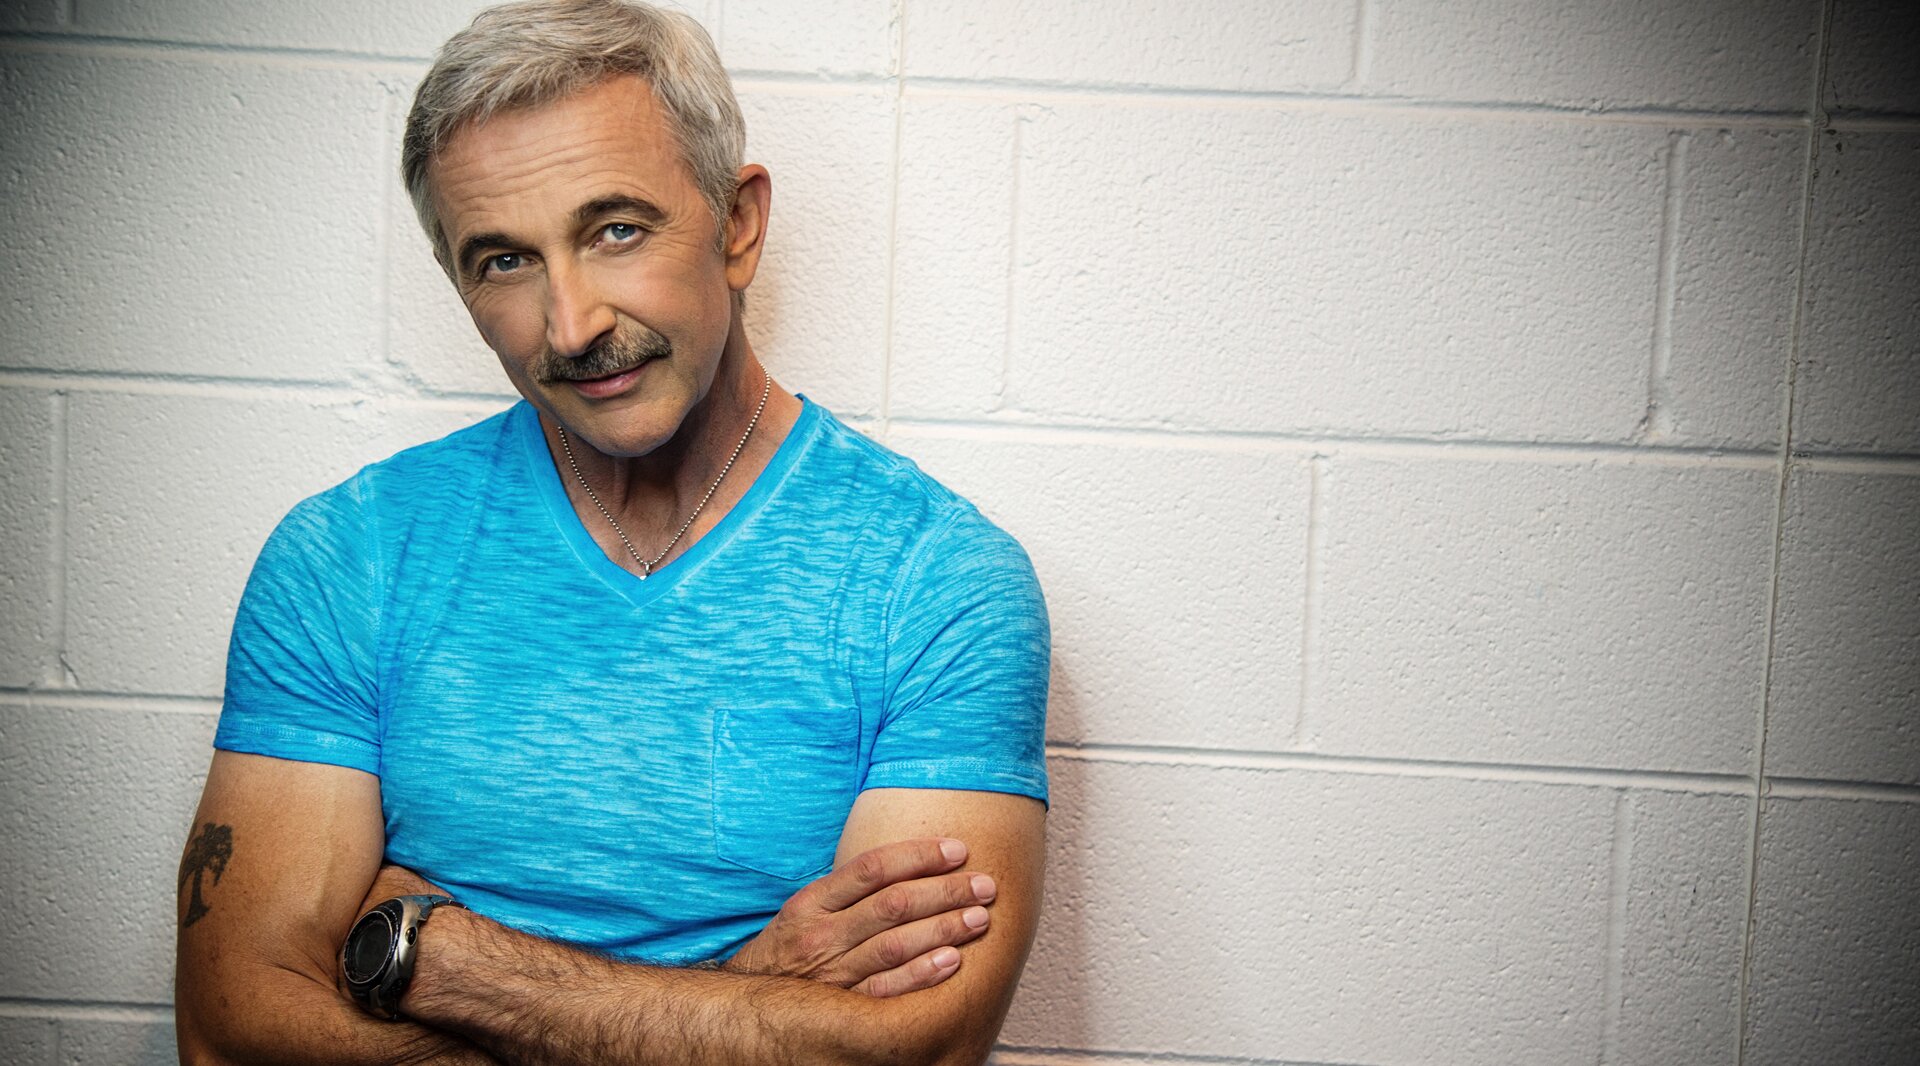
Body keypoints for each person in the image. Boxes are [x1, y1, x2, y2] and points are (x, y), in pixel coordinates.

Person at [171, 1, 1050, 1062]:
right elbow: (232, 1029)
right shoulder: (348, 556)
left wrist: (440, 959)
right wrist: (745, 1000)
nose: (574, 323)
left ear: (738, 224)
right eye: (504, 260)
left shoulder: (937, 579)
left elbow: (908, 1050)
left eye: (616, 231)